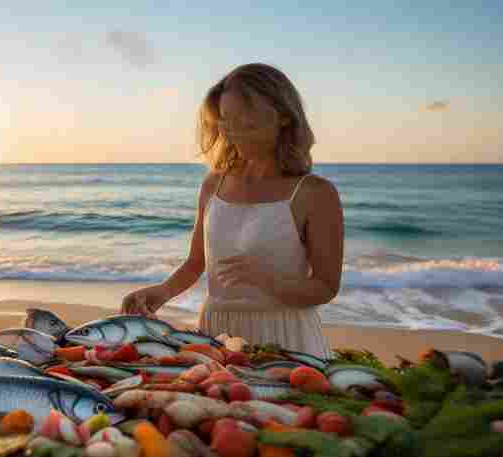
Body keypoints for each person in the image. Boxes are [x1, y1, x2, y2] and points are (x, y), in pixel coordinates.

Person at [121, 63, 343, 358]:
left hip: (285, 338)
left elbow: (325, 287)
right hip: (216, 333)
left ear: (285, 118)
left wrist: (267, 279)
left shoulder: (315, 193)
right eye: (226, 121)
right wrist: (162, 292)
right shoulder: (214, 183)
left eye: (247, 121)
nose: (234, 132)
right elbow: (196, 262)